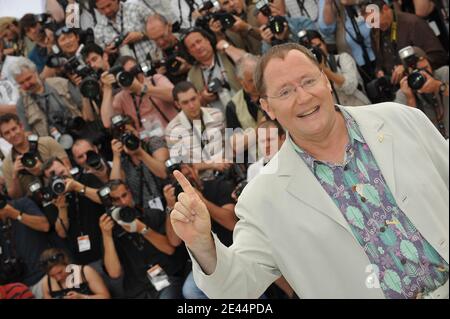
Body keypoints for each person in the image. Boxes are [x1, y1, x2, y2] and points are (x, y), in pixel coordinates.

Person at [169, 43, 449, 299]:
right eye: (285, 91)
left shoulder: (400, 120)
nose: (303, 97)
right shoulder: (262, 198)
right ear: (267, 107)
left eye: (308, 81)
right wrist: (203, 244)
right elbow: (237, 289)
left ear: (326, 81)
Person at [99, 179, 186, 299]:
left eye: (124, 195)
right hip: (137, 289)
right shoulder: (111, 229)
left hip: (167, 280)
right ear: (111, 203)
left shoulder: (152, 215)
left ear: (130, 193)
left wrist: (142, 229)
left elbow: (170, 249)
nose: (123, 202)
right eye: (116, 199)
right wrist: (106, 235)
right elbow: (114, 273)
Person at [0, 113, 71, 199]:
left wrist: (42, 170)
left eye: (14, 129)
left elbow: (68, 168)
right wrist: (15, 176)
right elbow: (16, 197)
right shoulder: (7, 165)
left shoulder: (48, 142)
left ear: (21, 126)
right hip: (37, 205)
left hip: (63, 190)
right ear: (3, 137)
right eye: (7, 133)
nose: (13, 134)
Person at [305, 29, 371, 106]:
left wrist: (325, 70)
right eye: (313, 51)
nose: (318, 51)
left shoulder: (343, 58)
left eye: (319, 46)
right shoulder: (310, 75)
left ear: (324, 43)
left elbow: (350, 87)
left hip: (360, 108)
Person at [394, 46, 449, 137]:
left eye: (425, 68)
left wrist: (439, 86)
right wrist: (410, 99)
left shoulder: (444, 73)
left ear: (430, 63)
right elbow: (409, 131)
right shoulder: (403, 93)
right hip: (433, 146)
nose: (423, 75)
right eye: (416, 73)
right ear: (407, 74)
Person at [40, 248, 110, 299]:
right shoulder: (46, 283)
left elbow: (106, 297)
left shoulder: (85, 271)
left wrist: (83, 297)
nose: (58, 278)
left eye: (60, 272)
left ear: (67, 264)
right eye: (52, 275)